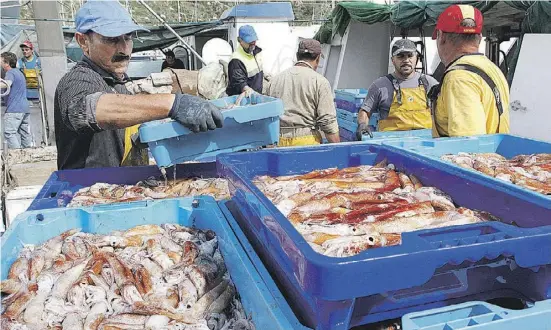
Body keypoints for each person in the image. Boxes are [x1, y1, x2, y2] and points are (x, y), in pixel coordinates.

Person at [54, 0, 223, 170]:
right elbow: (87, 111)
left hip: (121, 190)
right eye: (111, 39)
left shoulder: (119, 81)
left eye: (128, 37)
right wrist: (173, 104)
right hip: (83, 192)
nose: (124, 49)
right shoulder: (76, 80)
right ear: (83, 41)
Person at [431, 4, 510, 137]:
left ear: (441, 36)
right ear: (479, 37)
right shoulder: (491, 68)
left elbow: (468, 145)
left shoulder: (459, 78)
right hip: (495, 155)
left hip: (476, 156)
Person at [356, 39, 438, 140]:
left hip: (425, 143)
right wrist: (363, 125)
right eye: (401, 56)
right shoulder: (380, 85)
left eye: (410, 55)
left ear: (416, 58)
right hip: (391, 144)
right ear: (392, 60)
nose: (406, 60)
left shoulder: (429, 83)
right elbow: (365, 111)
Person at [264, 39, 339, 147]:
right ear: (317, 59)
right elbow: (328, 122)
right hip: (306, 143)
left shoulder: (274, 80)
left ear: (297, 56)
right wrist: (338, 148)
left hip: (277, 142)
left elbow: (266, 115)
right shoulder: (319, 82)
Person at [1, 52, 32, 149]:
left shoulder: (10, 73)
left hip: (14, 109)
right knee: (25, 133)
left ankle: (17, 154)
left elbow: (7, 84)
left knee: (9, 133)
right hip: (25, 108)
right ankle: (28, 155)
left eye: (1, 61)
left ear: (7, 63)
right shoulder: (19, 72)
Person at [226, 25, 264, 97]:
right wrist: (249, 91)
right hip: (243, 100)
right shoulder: (236, 60)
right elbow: (240, 83)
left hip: (255, 96)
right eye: (249, 41)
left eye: (254, 40)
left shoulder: (256, 52)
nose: (253, 43)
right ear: (240, 41)